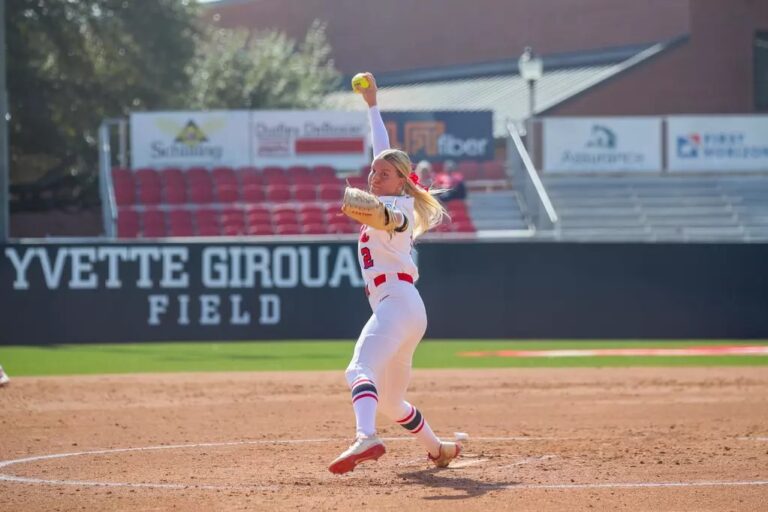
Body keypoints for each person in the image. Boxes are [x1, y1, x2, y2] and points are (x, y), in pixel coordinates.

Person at [328, 72, 462, 475]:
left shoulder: (399, 210)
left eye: (383, 175)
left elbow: (395, 221)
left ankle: (365, 436)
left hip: (397, 305)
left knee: (357, 370)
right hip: (405, 310)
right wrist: (372, 105)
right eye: (373, 173)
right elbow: (382, 151)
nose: (373, 178)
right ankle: (440, 449)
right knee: (391, 400)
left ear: (402, 181)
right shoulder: (390, 193)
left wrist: (382, 212)